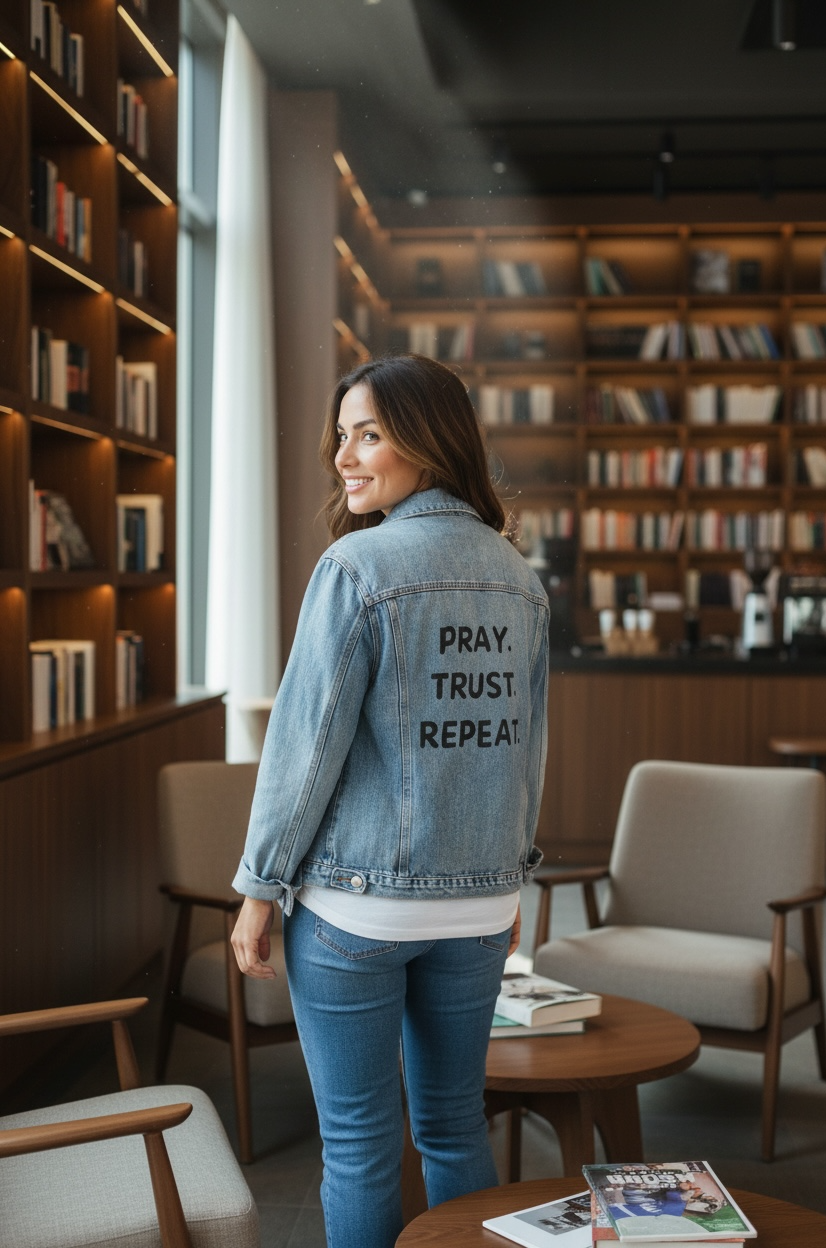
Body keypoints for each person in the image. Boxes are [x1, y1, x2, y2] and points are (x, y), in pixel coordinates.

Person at [230, 354, 549, 1248]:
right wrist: (508, 882)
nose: (343, 456)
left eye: (367, 434)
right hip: (480, 907)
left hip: (357, 908)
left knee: (361, 1147)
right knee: (454, 1127)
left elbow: (303, 751)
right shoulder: (519, 579)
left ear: (428, 441)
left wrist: (259, 889)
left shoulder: (356, 567)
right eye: (342, 435)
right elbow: (525, 751)